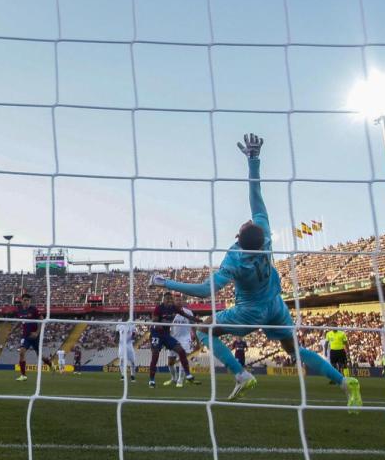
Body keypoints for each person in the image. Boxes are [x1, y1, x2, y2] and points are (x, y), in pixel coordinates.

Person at [152, 133, 362, 411]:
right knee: (294, 350)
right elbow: (256, 196)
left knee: (204, 329)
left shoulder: (235, 259)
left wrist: (166, 281)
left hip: (250, 310)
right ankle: (346, 383)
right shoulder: (265, 238)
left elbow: (205, 290)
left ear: (238, 238)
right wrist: (253, 160)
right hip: (275, 306)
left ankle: (241, 375)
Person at [147, 292, 198, 388]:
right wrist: (160, 325)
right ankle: (154, 380)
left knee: (182, 352)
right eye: (168, 299)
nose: (170, 300)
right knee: (161, 358)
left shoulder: (179, 310)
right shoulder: (161, 308)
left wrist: (196, 321)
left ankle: (184, 377)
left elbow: (189, 319)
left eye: (171, 299)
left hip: (175, 336)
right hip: (160, 335)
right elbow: (155, 320)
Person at [14, 293, 52, 381]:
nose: (27, 302)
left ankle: (49, 363)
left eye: (28, 300)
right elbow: (19, 321)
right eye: (25, 300)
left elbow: (42, 320)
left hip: (35, 336)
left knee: (40, 356)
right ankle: (23, 375)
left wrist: (37, 332)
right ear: (21, 301)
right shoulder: (19, 310)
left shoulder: (34, 309)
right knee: (21, 353)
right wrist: (13, 329)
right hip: (26, 336)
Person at [164, 302, 198, 387]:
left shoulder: (188, 312)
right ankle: (174, 378)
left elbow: (193, 325)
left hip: (185, 339)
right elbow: (166, 326)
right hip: (173, 338)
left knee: (183, 359)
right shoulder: (170, 312)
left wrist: (196, 337)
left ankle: (180, 380)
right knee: (170, 362)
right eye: (176, 301)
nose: (178, 302)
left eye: (179, 300)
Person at [116, 318, 138, 383]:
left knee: (133, 361)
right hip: (122, 344)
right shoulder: (119, 323)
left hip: (129, 344)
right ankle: (123, 376)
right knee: (122, 360)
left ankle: (132, 376)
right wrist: (116, 340)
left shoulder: (131, 322)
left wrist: (133, 338)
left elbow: (134, 333)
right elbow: (117, 333)